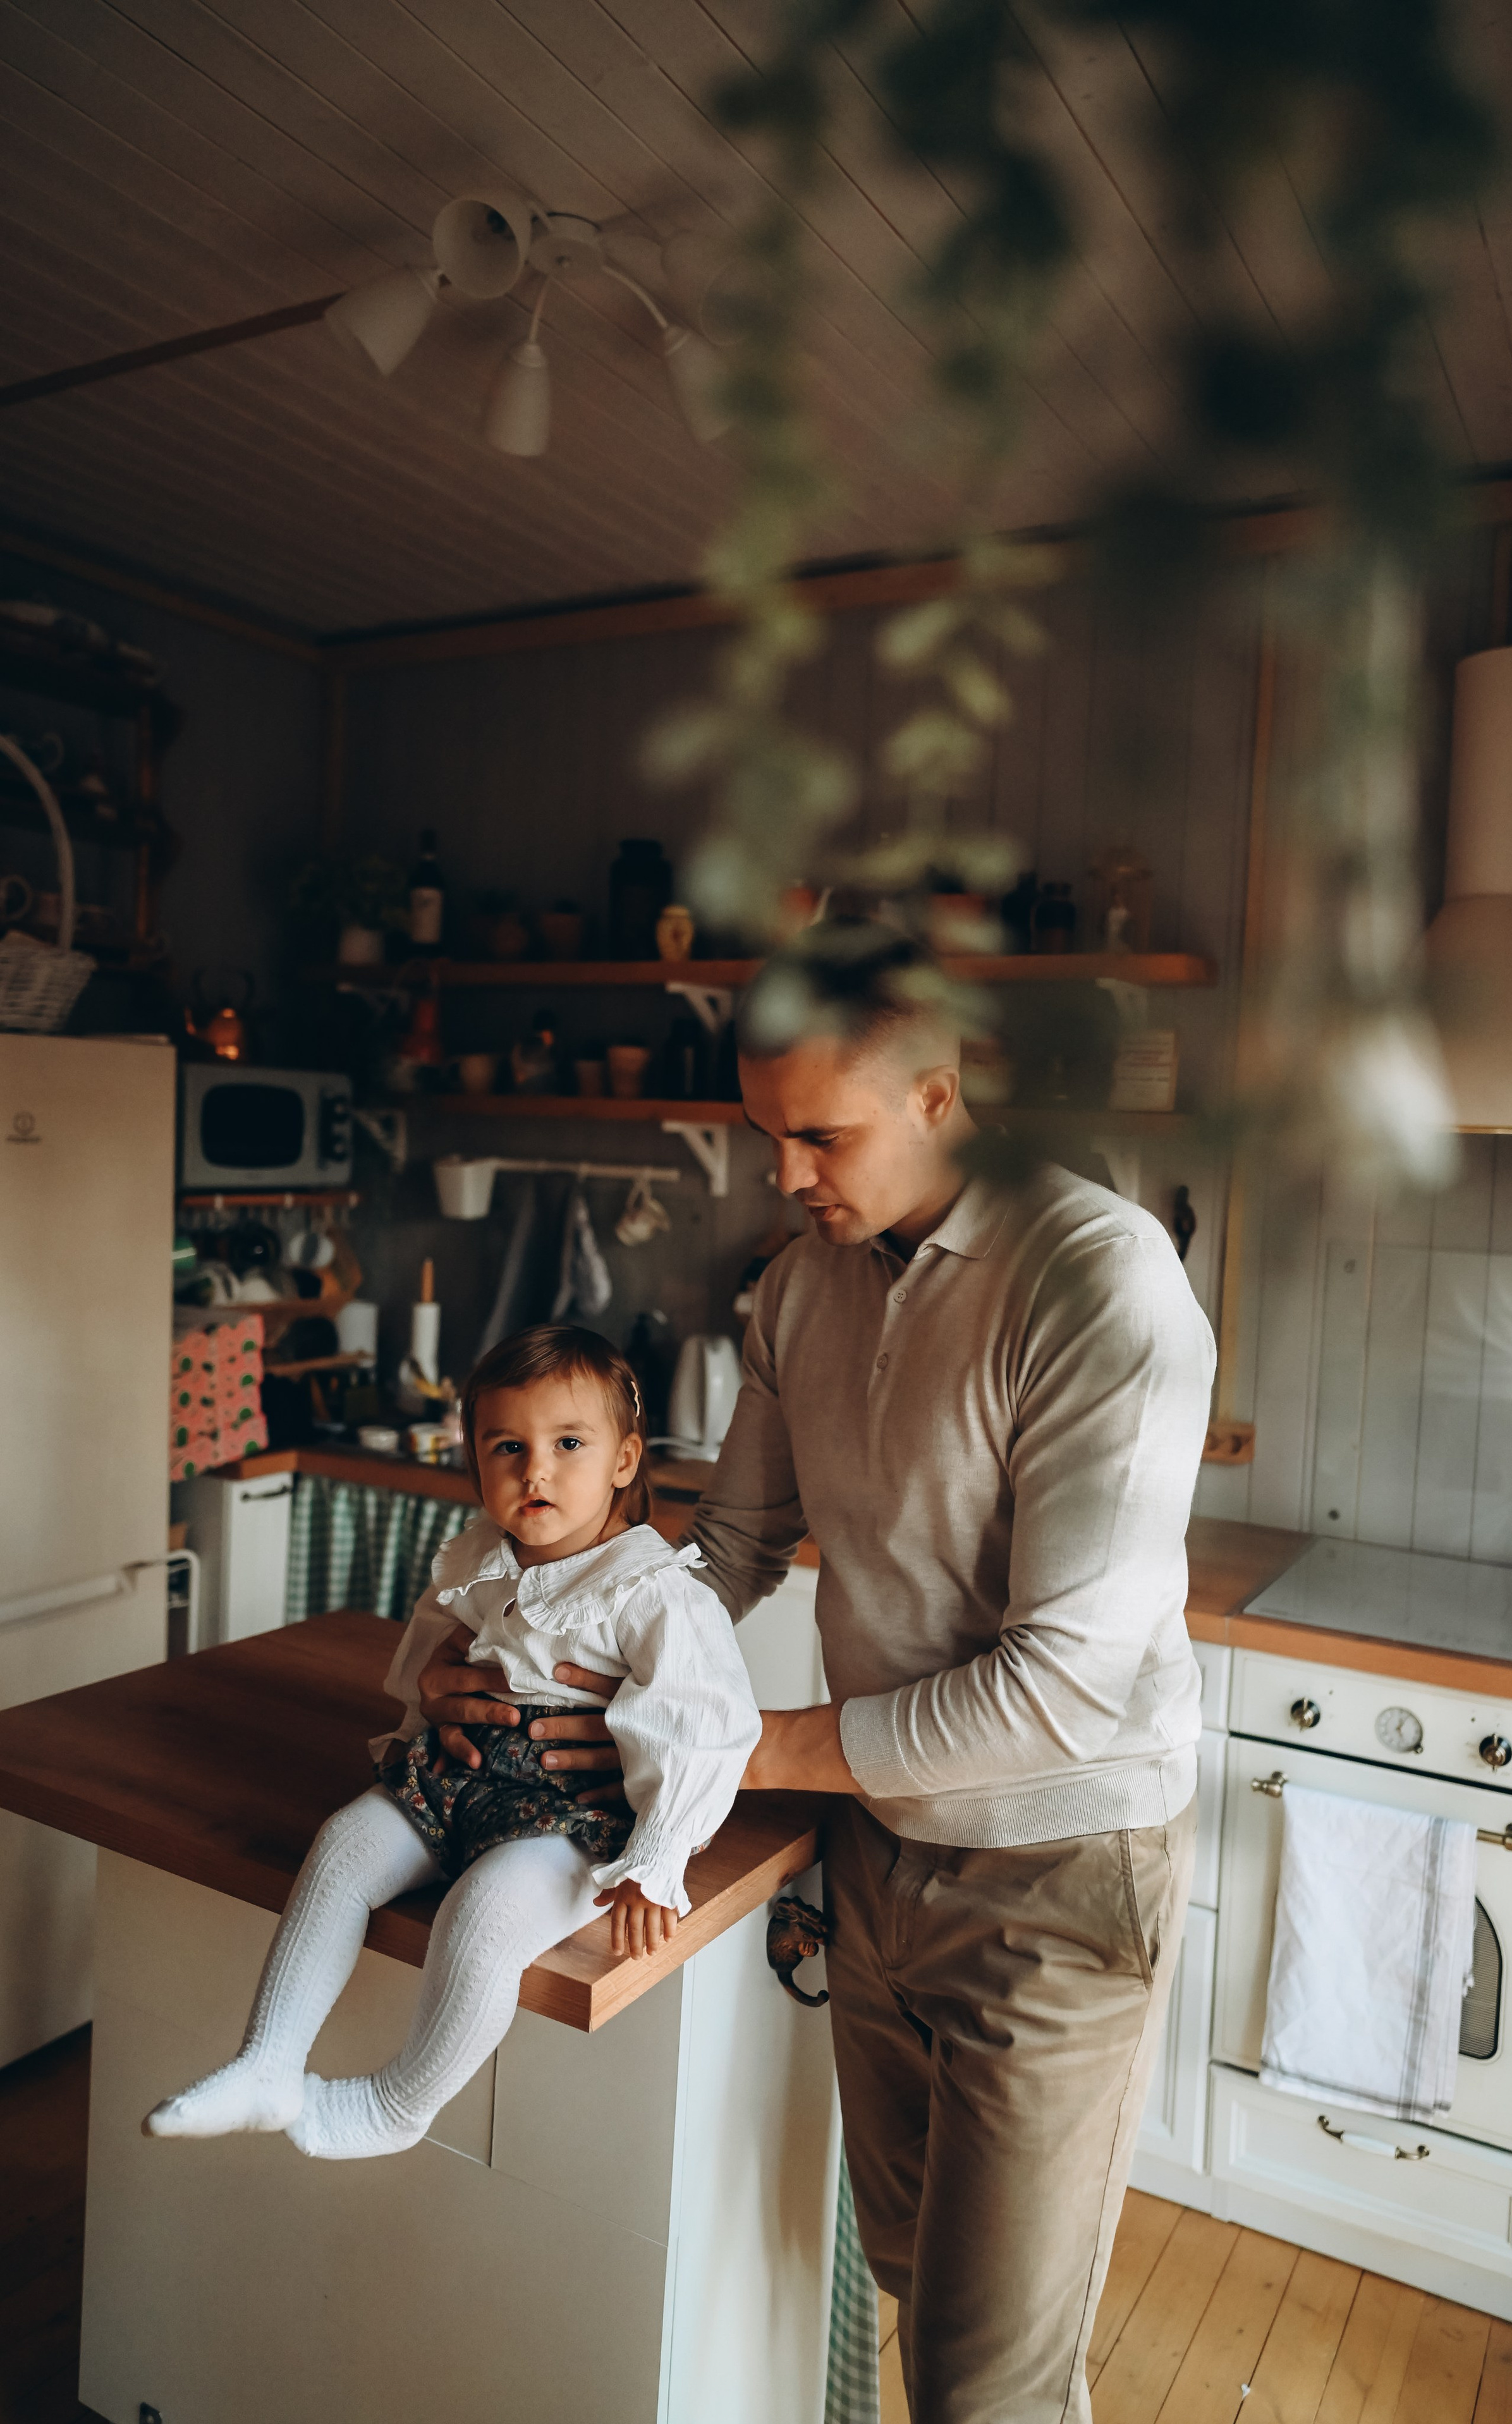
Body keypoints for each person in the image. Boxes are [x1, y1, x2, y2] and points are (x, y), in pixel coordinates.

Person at [419, 925, 1217, 2423]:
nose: (780, 1172)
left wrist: (733, 1749)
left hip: (1055, 1863)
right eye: (762, 1131)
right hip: (876, 1851)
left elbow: (1061, 1686)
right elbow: (717, 1555)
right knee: (914, 2272)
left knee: (990, 2383)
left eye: (815, 1134)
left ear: (941, 1088)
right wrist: (532, 1665)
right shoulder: (802, 1284)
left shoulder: (1099, 1281)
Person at [143, 1324, 760, 2163]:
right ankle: (269, 2065)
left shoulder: (656, 1592)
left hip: (570, 1818)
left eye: (568, 1443)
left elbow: (704, 1727)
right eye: (507, 1446)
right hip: (456, 1773)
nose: (534, 1470)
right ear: (475, 1460)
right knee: (341, 1848)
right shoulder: (479, 1556)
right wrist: (426, 1705)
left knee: (485, 1915)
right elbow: (427, 1652)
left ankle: (400, 2106)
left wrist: (659, 1861)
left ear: (625, 1459)